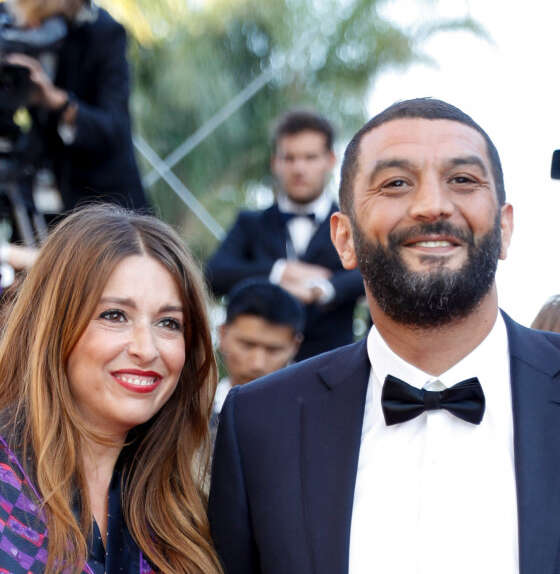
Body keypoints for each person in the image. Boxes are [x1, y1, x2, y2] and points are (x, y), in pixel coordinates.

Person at [209, 98, 560, 573]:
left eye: (462, 180)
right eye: (396, 183)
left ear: (505, 227)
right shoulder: (260, 424)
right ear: (344, 239)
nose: (432, 206)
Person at [0, 204, 222, 573]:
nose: (146, 348)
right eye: (115, 315)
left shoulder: (191, 504)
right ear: (54, 324)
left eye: (169, 323)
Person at [205, 109, 365, 361]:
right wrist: (280, 272)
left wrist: (323, 288)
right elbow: (214, 274)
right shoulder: (250, 223)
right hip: (258, 372)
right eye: (289, 158)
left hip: (330, 368)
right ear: (275, 162)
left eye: (310, 157)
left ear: (331, 160)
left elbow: (372, 273)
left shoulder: (353, 224)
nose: (299, 168)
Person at [4, 0, 147, 213]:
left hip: (105, 206)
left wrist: (58, 102)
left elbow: (114, 126)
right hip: (37, 192)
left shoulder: (103, 33)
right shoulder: (12, 25)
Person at [213, 278, 305, 420]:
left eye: (273, 350)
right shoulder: (188, 415)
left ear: (295, 346)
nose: (258, 364)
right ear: (223, 335)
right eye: (247, 345)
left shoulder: (315, 417)